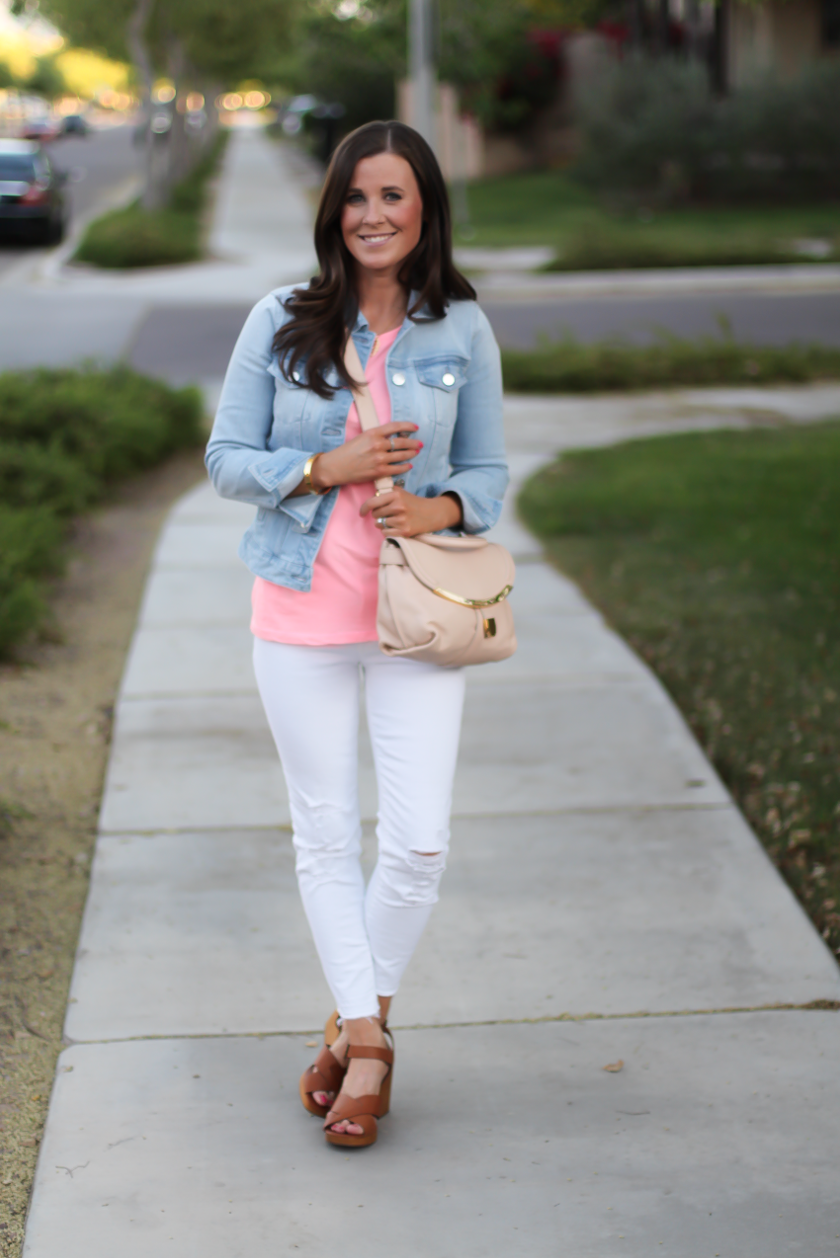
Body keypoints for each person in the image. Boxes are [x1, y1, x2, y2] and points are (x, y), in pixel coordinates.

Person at [205, 120, 508, 1148]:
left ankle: (345, 1026)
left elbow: (490, 473)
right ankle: (373, 1045)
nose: (372, 216)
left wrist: (445, 509)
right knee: (328, 834)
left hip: (415, 619)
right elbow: (225, 458)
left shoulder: (460, 326)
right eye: (356, 197)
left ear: (424, 207)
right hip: (298, 616)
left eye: (393, 196)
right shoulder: (280, 319)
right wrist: (325, 467)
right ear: (332, 210)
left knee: (419, 841)